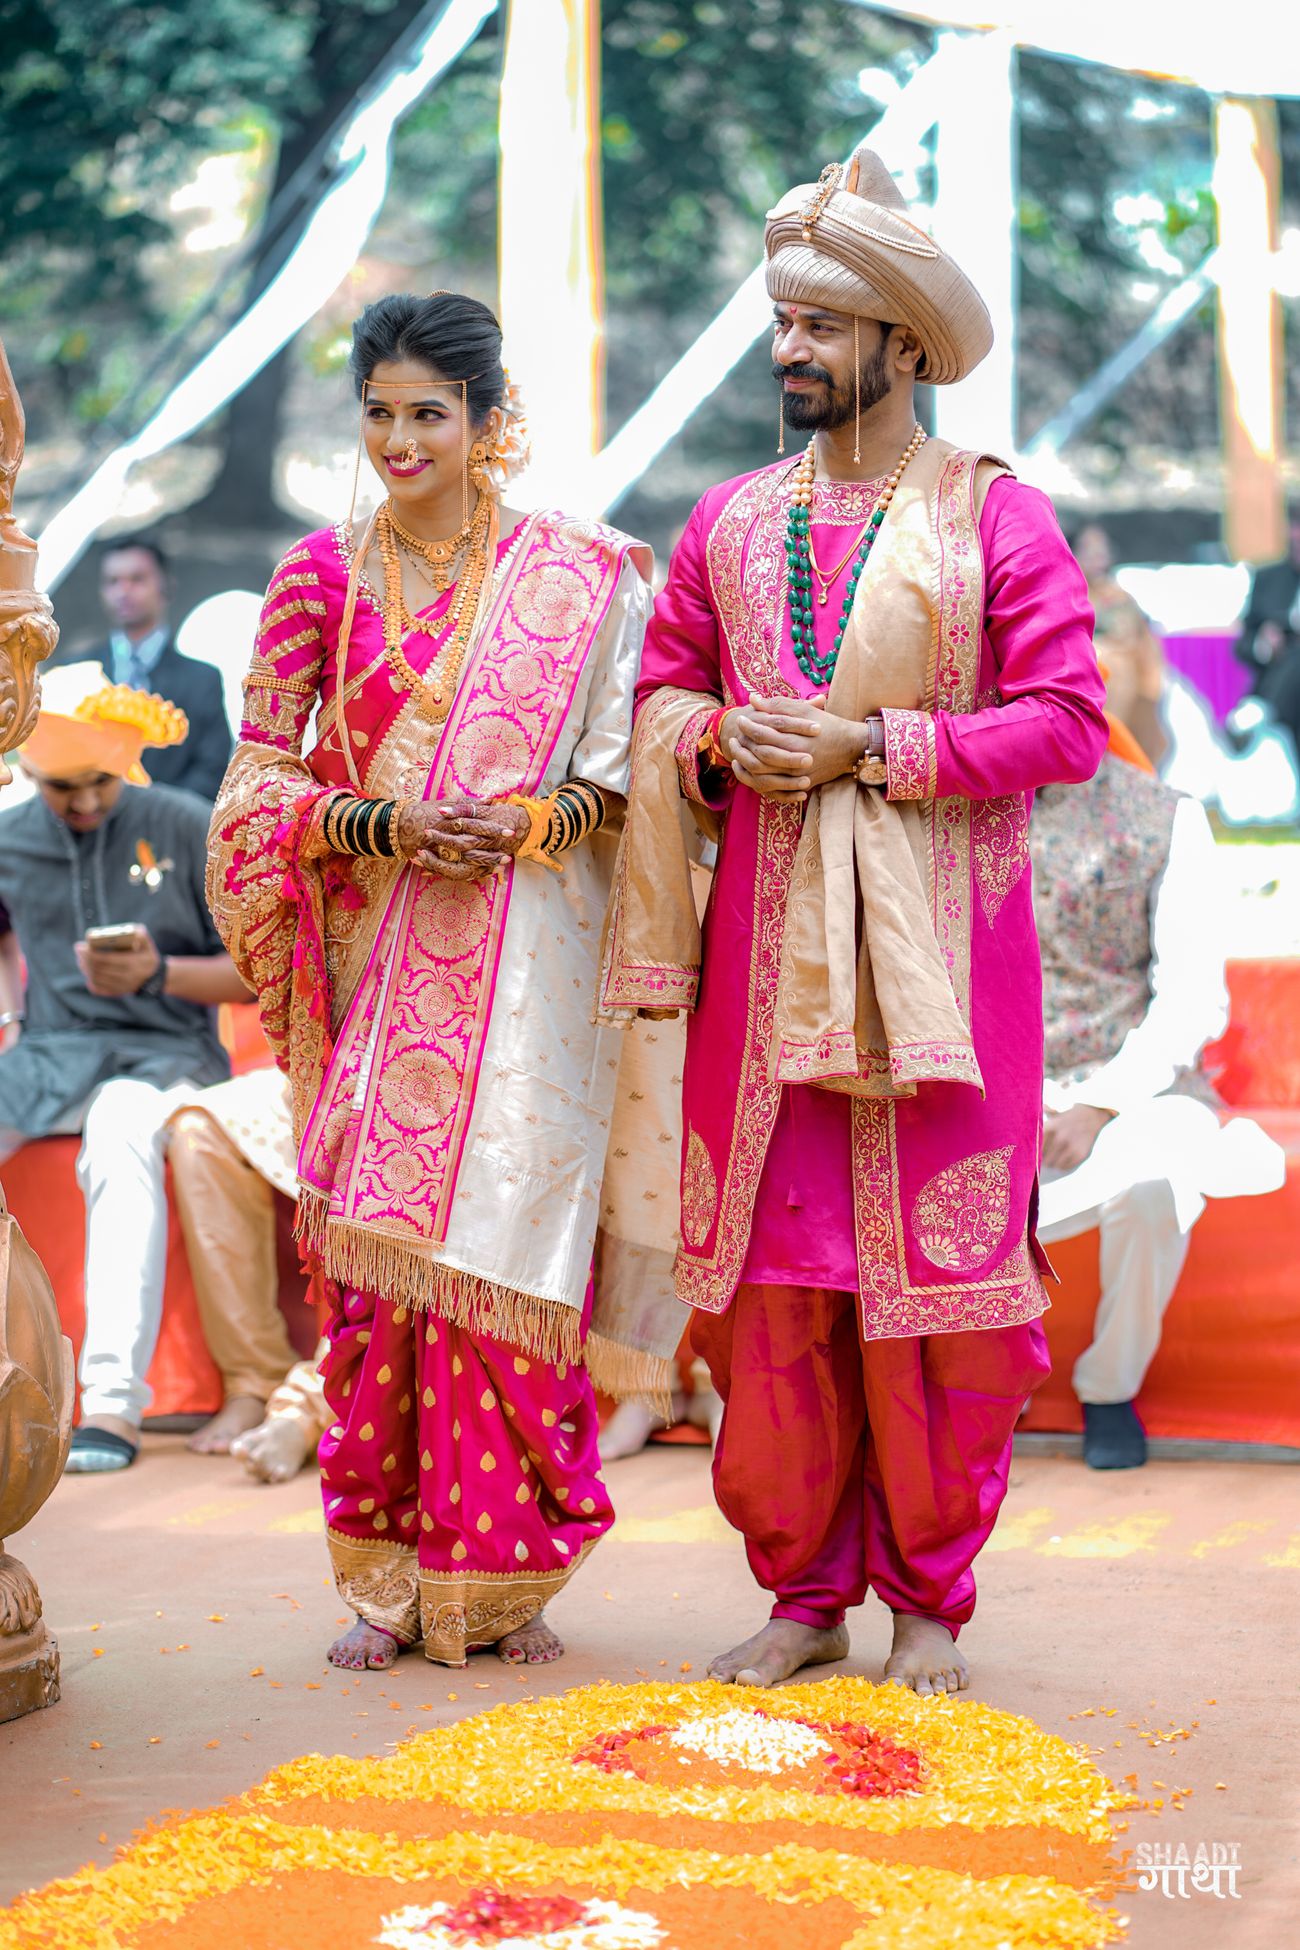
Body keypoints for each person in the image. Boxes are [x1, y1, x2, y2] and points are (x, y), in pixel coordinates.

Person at [604, 147, 1108, 1697]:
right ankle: (806, 1595)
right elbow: (664, 688)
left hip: (941, 979)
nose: (791, 350)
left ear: (901, 341)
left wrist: (870, 747)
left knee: (932, 1309)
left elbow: (1068, 721)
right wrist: (708, 738)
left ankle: (928, 1607)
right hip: (762, 985)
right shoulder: (730, 522)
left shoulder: (991, 522)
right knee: (775, 1306)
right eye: (782, 321)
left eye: (822, 322)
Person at [209, 291, 654, 1672]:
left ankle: (503, 1574)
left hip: (526, 974)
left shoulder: (581, 579)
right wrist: (382, 826)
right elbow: (254, 782)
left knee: (509, 1264)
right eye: (381, 413)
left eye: (430, 414)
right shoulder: (317, 579)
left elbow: (621, 779)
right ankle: (385, 1578)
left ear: (487, 422)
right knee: (383, 1291)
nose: (402, 439)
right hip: (373, 964)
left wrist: (525, 826)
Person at [0, 664, 251, 1470]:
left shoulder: (183, 823)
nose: (80, 805)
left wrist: (158, 974)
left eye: (97, 784)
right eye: (59, 787)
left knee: (118, 1132)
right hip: (45, 1055)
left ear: (127, 766)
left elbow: (256, 974)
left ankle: (110, 1403)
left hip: (165, 1054)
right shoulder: (7, 837)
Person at [1032, 742, 1284, 1468]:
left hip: (1141, 1087)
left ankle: (1109, 1387)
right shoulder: (967, 810)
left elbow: (1193, 996)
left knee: (1151, 1187)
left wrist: (1102, 1104)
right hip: (1005, 1086)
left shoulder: (1163, 815)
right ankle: (988, 1384)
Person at [167, 1067, 305, 1454]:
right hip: (313, 1065)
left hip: (410, 1066)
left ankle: (310, 1409)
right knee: (200, 1129)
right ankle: (256, 1378)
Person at [48, 535, 233, 801]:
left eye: (137, 579)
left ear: (166, 586)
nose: (123, 591)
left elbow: (212, 769)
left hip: (171, 828)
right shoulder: (73, 672)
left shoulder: (202, 680)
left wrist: (152, 812)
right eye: (113, 581)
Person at [1072, 523, 1168, 768]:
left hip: (1123, 681)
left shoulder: (1120, 596)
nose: (1096, 556)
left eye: (1101, 549)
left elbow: (1140, 641)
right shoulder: (1065, 591)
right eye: (1088, 549)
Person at [1237, 509, 1300, 754]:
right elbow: (1243, 644)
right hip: (1280, 683)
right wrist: (1264, 645)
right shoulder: (1268, 578)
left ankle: (1263, 712)